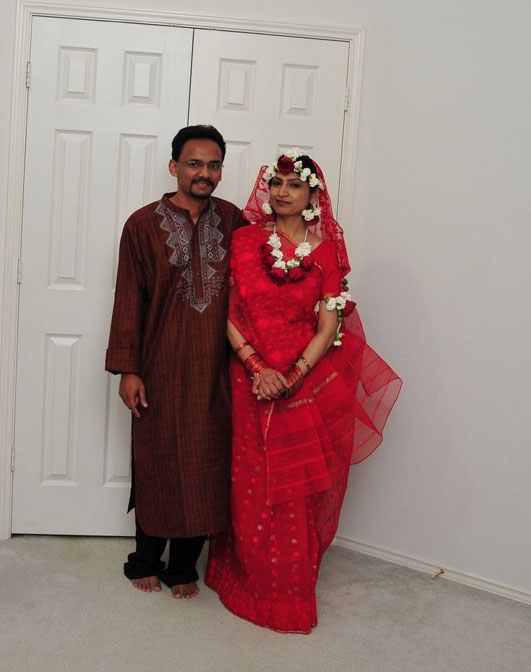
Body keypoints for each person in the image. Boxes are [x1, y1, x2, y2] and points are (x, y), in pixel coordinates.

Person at [205, 148, 402, 632]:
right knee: (250, 479)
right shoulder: (244, 240)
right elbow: (224, 311)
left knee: (295, 487)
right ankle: (242, 577)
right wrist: (257, 367)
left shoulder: (326, 252)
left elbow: (329, 326)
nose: (282, 192)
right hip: (249, 377)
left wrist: (291, 377)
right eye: (276, 183)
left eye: (294, 185)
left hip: (303, 381)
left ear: (313, 196)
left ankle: (286, 593)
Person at [105, 124, 246, 600]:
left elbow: (257, 287)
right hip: (159, 364)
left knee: (207, 462)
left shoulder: (234, 221)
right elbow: (130, 299)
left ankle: (183, 565)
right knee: (158, 459)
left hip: (215, 368)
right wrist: (129, 368)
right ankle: (145, 560)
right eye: (194, 163)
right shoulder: (142, 225)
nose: (204, 172)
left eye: (213, 165)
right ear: (174, 167)